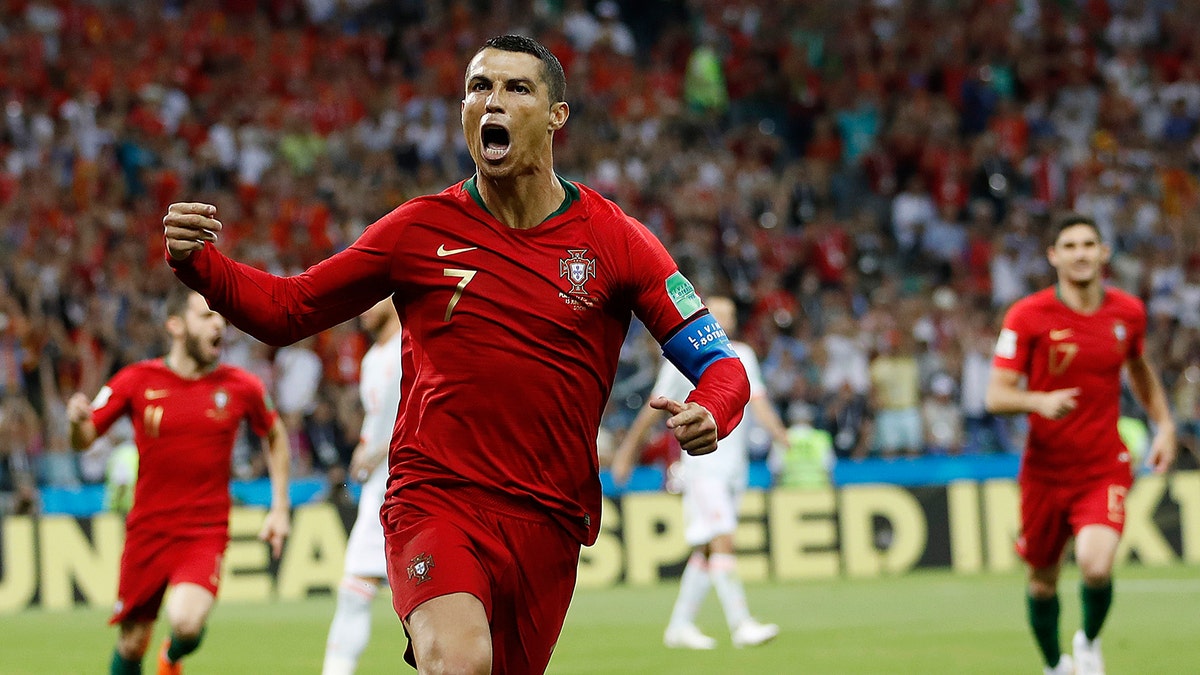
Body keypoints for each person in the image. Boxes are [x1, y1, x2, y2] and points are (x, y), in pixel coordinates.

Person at [162, 35, 750, 675]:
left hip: (547, 516)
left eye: (516, 88)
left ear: (557, 115)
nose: (492, 101)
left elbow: (721, 365)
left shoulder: (617, 242)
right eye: (479, 87)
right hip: (433, 495)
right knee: (461, 663)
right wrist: (200, 265)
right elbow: (288, 309)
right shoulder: (419, 229)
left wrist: (711, 411)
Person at [985, 215, 1177, 675]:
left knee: (1095, 564)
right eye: (1069, 245)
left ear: (1104, 252)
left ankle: (1088, 641)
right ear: (1054, 256)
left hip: (1103, 463)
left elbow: (1138, 367)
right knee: (1042, 582)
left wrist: (1165, 424)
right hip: (1045, 471)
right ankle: (1056, 665)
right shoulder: (1027, 315)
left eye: (1089, 243)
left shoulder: (1128, 312)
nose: (1080, 253)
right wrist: (1037, 400)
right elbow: (995, 395)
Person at [67, 286, 291, 675]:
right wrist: (75, 421)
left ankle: (172, 656)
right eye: (206, 316)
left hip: (204, 530)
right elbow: (84, 438)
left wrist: (280, 507)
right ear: (175, 325)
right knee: (132, 642)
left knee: (186, 621)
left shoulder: (242, 385)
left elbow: (275, 435)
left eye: (220, 317)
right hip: (147, 531)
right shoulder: (136, 380)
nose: (218, 323)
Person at [611, 297, 783, 650]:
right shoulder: (683, 358)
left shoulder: (742, 356)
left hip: (734, 467)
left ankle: (680, 626)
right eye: (718, 315)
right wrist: (628, 452)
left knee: (706, 550)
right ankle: (741, 624)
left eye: (730, 315)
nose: (725, 321)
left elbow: (759, 403)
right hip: (703, 467)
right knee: (722, 538)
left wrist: (783, 437)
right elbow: (653, 409)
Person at [323, 298, 403, 675]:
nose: (362, 308)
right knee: (356, 590)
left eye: (374, 298)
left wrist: (381, 449)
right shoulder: (373, 359)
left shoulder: (415, 346)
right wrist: (366, 450)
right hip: (380, 487)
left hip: (411, 480)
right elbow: (379, 422)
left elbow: (427, 413)